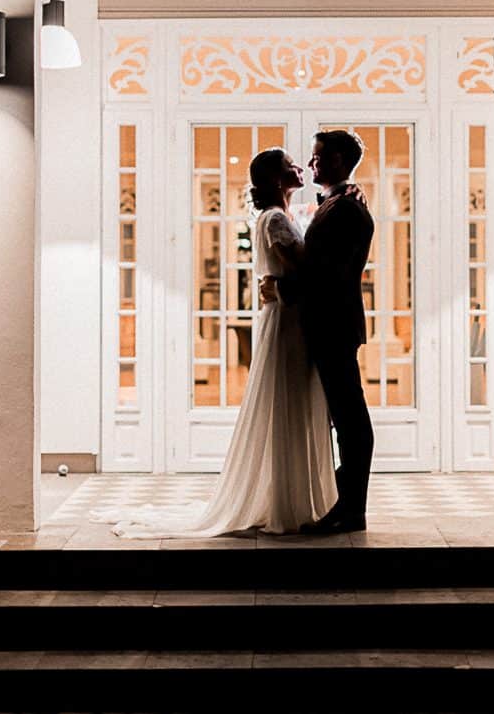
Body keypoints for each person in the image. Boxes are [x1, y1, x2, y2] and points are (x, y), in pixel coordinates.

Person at [93, 148, 338, 537]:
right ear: (277, 178)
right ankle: (287, 502)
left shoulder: (282, 216)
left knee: (292, 403)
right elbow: (308, 270)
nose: (299, 168)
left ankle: (289, 496)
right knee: (287, 403)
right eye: (291, 164)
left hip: (292, 316)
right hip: (289, 322)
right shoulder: (274, 219)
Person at [259, 128, 376, 534]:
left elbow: (331, 274)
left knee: (350, 416)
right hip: (327, 323)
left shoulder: (346, 208)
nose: (311, 164)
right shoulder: (338, 203)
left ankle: (351, 508)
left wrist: (282, 287)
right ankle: (345, 504)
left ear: (340, 161)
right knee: (343, 415)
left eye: (318, 157)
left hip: (335, 324)